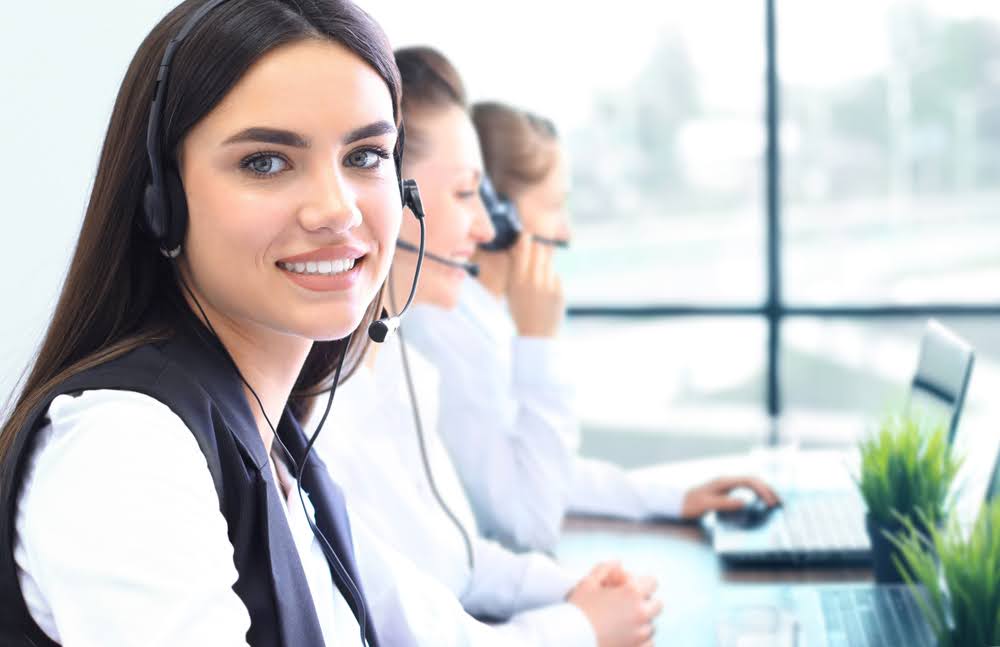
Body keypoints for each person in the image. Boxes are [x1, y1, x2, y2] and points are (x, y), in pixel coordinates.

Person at [0, 3, 554, 645]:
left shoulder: (276, 435)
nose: (337, 210)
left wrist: (584, 626)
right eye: (266, 161)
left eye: (367, 155)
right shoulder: (123, 450)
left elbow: (421, 628)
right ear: (163, 202)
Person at [307, 46, 662, 647]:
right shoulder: (326, 416)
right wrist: (579, 625)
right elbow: (413, 634)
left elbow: (460, 560)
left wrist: (579, 587)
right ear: (395, 197)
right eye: (466, 194)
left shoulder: (401, 366)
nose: (486, 229)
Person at [404, 100, 781, 553]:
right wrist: (538, 342)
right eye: (554, 206)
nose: (565, 234)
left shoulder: (481, 317)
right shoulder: (442, 331)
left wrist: (673, 498)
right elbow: (528, 523)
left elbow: (541, 470)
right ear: (501, 214)